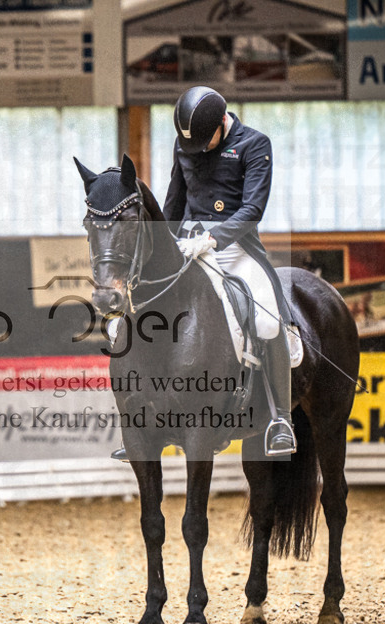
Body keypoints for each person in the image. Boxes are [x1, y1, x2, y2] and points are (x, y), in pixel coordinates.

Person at [113, 85, 295, 460]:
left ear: (221, 123)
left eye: (204, 142)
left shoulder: (254, 145)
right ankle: (141, 416)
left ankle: (282, 418)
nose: (197, 151)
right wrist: (164, 243)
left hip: (237, 249)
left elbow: (252, 210)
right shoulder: (186, 145)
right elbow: (174, 202)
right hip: (186, 247)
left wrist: (213, 238)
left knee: (267, 321)